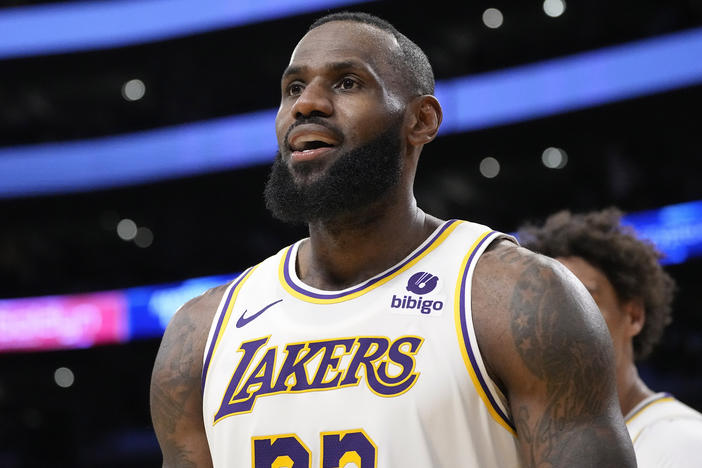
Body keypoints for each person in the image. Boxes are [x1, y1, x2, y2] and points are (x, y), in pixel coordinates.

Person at [150, 12, 636, 467]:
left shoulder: (514, 298)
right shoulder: (200, 334)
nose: (306, 104)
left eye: (347, 83)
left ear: (420, 121)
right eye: (293, 87)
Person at [518, 207, 702, 468]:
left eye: (580, 299)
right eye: (544, 305)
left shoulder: (684, 445)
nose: (557, 321)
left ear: (634, 316)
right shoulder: (533, 447)